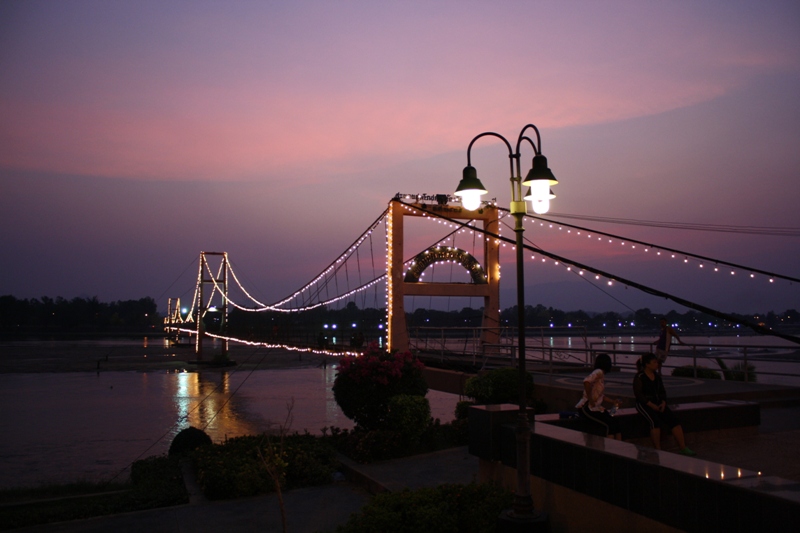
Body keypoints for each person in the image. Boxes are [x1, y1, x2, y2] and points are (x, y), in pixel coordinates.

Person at [634, 353, 696, 456]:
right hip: (644, 404)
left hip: (658, 403)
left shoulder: (657, 376)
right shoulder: (640, 377)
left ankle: (683, 447)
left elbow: (662, 391)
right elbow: (639, 394)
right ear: (647, 364)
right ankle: (658, 449)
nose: (657, 364)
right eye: (654, 362)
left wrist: (663, 402)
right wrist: (651, 405)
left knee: (674, 421)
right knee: (654, 422)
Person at [575, 353, 622, 440]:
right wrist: (591, 400)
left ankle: (619, 448)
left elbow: (601, 396)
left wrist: (613, 402)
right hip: (588, 407)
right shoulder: (598, 372)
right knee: (609, 425)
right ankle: (611, 449)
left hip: (597, 407)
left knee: (615, 422)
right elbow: (586, 381)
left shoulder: (601, 376)